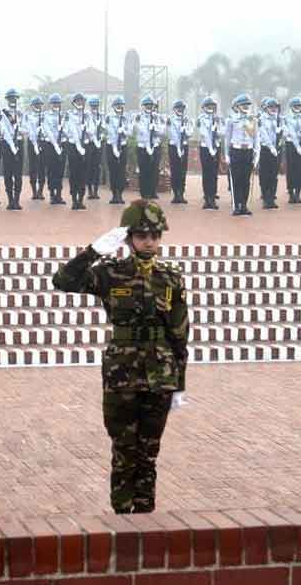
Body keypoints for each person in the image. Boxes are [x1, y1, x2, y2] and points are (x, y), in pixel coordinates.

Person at [52, 200, 188, 513]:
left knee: (149, 453)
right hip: (122, 374)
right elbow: (63, 281)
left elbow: (180, 331)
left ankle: (144, 519)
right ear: (128, 239)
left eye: (154, 235)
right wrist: (93, 252)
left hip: (160, 373)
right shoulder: (110, 273)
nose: (149, 241)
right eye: (142, 236)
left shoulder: (170, 276)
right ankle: (122, 520)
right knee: (124, 450)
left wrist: (180, 381)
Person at [223, 94, 258, 216]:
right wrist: (226, 154)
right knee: (236, 179)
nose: (246, 107)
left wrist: (256, 156)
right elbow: (227, 139)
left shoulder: (253, 120)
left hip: (248, 152)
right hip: (236, 152)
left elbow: (256, 139)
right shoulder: (231, 120)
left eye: (247, 104)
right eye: (243, 104)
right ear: (237, 106)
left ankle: (244, 205)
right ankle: (236, 205)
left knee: (246, 180)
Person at [196, 96, 223, 209]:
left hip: (216, 148)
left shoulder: (218, 119)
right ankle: (207, 198)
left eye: (212, 106)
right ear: (204, 107)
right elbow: (204, 134)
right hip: (206, 149)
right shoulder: (201, 119)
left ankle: (213, 196)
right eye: (208, 106)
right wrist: (210, 148)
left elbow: (223, 133)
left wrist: (218, 128)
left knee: (214, 173)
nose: (211, 107)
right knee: (207, 173)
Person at [256, 98, 282, 209]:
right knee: (265, 174)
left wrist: (281, 132)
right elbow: (263, 134)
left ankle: (271, 197)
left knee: (274, 174)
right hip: (266, 149)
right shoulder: (261, 119)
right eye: (271, 107)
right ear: (266, 108)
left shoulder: (279, 119)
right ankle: (266, 198)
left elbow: (284, 131)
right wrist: (271, 147)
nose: (273, 109)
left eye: (275, 107)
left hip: (277, 149)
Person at [104, 97, 130, 204]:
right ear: (113, 107)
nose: (119, 107)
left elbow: (130, 131)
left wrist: (123, 131)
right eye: (117, 105)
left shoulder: (126, 118)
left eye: (121, 105)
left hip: (122, 146)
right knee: (113, 170)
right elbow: (109, 131)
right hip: (111, 146)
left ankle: (120, 193)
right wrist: (115, 147)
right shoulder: (109, 117)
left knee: (121, 171)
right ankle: (114, 193)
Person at [282, 97, 301, 205]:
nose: (297, 108)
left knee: (300, 169)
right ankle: (291, 192)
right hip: (291, 145)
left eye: (299, 106)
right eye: (295, 106)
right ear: (291, 107)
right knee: (291, 169)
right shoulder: (286, 118)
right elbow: (287, 132)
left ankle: (298, 192)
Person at [165, 100, 191, 205]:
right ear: (174, 109)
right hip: (174, 146)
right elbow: (171, 133)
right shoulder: (170, 120)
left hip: (184, 145)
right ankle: (176, 193)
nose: (180, 110)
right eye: (178, 108)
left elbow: (190, 132)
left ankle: (182, 193)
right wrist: (178, 147)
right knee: (175, 170)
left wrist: (186, 131)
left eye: (182, 108)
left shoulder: (187, 119)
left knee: (183, 170)